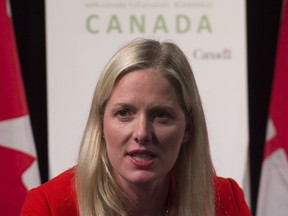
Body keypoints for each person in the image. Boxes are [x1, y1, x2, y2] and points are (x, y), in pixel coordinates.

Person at [21, 38, 251, 216]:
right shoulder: (49, 206)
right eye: (123, 113)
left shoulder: (226, 200)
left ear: (188, 129)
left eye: (161, 115)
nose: (142, 133)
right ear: (100, 124)